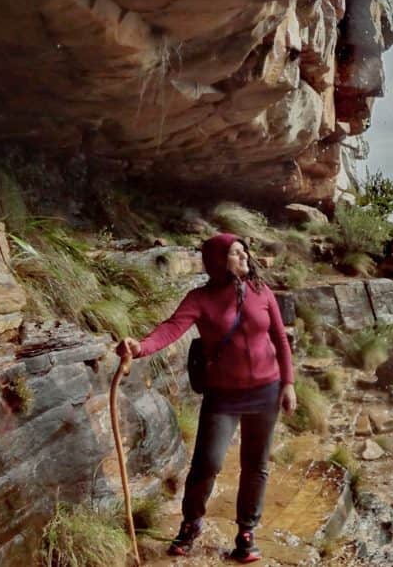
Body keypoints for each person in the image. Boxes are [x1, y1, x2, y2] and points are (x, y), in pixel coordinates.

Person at [114, 232, 296, 563]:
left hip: (266, 391)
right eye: (236, 253)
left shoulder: (261, 291)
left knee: (256, 465)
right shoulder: (200, 299)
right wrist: (139, 348)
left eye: (245, 252)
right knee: (208, 463)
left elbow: (280, 340)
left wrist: (289, 383)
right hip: (223, 396)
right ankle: (191, 522)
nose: (245, 257)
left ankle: (246, 532)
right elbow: (170, 329)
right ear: (217, 261)